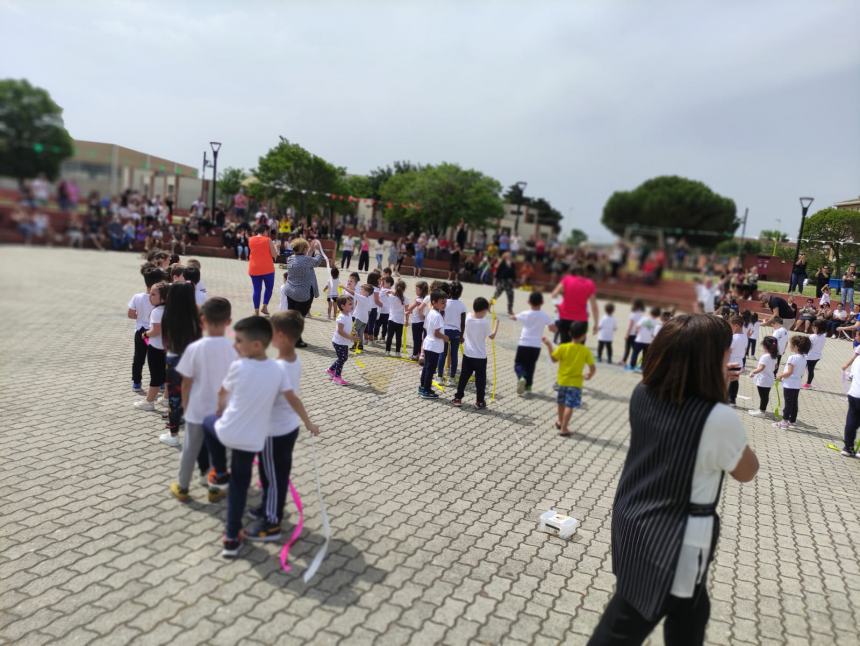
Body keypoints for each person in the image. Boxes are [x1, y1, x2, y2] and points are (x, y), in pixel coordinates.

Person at [588, 314, 759, 646]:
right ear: (711, 360)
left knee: (691, 612)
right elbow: (747, 471)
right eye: (726, 351)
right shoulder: (717, 417)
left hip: (633, 520)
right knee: (623, 624)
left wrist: (713, 388)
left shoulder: (643, 393)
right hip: (674, 541)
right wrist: (719, 396)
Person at [202, 316, 297, 558]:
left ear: (256, 345)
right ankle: (231, 539)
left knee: (207, 422)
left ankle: (220, 471)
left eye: (239, 341)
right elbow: (286, 396)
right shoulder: (278, 370)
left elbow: (222, 392)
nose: (235, 346)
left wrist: (221, 409)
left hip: (228, 432)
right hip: (253, 440)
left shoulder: (239, 366)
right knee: (239, 489)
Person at [247, 311, 320, 540]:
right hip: (286, 428)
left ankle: (272, 522)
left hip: (274, 432)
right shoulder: (292, 359)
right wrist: (306, 422)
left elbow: (272, 399)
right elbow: (290, 398)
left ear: (283, 338)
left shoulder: (276, 368)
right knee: (271, 474)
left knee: (274, 476)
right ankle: (268, 507)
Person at [169, 298, 236, 502]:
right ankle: (215, 487)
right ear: (229, 321)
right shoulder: (234, 350)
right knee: (221, 452)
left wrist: (185, 403)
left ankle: (182, 487)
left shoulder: (194, 348)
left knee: (190, 449)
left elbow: (187, 382)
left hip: (197, 409)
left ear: (202, 320)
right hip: (221, 412)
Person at [159, 283, 203, 447]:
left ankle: (174, 434)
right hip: (194, 359)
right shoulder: (196, 314)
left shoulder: (168, 314)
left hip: (175, 359)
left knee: (175, 398)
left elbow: (165, 341)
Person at [543, 321, 595, 437]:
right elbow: (592, 367)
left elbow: (554, 359)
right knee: (569, 405)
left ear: (570, 333)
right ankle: (564, 428)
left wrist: (549, 345)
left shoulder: (563, 347)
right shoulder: (585, 351)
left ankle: (560, 422)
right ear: (584, 336)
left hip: (562, 381)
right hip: (575, 383)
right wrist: (589, 375)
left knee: (561, 403)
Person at [452, 297, 498, 409]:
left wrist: (487, 306)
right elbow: (492, 336)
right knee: (480, 380)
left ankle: (458, 398)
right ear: (484, 310)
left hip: (468, 354)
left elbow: (474, 313)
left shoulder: (468, 317)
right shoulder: (485, 322)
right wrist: (497, 324)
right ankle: (480, 401)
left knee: (463, 377)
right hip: (480, 357)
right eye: (486, 310)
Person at [510, 292, 557, 395]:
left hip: (524, 343)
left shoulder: (525, 313)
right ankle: (529, 386)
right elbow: (552, 329)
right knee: (531, 365)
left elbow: (514, 317)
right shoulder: (545, 315)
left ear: (528, 302)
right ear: (542, 302)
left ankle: (521, 377)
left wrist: (512, 314)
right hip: (536, 345)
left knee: (518, 363)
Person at [282, 237, 326, 347]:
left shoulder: (291, 258)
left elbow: (304, 259)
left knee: (292, 316)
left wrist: (309, 249)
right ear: (304, 249)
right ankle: (296, 341)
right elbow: (317, 261)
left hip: (290, 291)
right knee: (300, 318)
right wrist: (316, 250)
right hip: (303, 294)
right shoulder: (307, 261)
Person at [133, 282, 170, 411]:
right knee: (166, 375)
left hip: (156, 349)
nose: (150, 296)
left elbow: (156, 331)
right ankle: (166, 399)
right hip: (168, 348)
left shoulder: (157, 311)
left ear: (164, 298)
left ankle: (149, 402)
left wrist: (145, 334)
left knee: (155, 375)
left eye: (154, 294)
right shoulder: (171, 310)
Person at [128, 268, 164, 394]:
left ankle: (136, 382)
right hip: (154, 332)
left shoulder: (137, 297)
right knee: (156, 359)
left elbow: (131, 314)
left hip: (140, 331)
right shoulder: (160, 298)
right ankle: (161, 383)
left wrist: (140, 316)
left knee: (138, 357)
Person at [551, 264, 599, 343]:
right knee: (579, 348)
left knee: (565, 346)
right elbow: (594, 306)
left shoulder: (566, 280)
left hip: (565, 318)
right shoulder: (590, 283)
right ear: (583, 273)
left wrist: (563, 297)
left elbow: (554, 294)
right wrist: (596, 324)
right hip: (581, 320)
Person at [774, 335, 810, 430]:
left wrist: (780, 376)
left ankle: (784, 422)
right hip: (797, 384)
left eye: (791, 344)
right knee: (794, 403)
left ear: (796, 347)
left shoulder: (792, 358)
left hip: (789, 384)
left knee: (788, 404)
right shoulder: (804, 358)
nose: (790, 346)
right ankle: (792, 420)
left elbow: (789, 372)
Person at [419, 290, 449, 398]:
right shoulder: (437, 316)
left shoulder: (431, 312)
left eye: (445, 302)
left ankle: (423, 387)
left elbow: (427, 328)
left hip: (428, 344)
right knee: (430, 369)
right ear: (434, 302)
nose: (444, 305)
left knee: (427, 367)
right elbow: (437, 333)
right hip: (434, 346)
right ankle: (426, 390)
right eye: (442, 302)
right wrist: (445, 337)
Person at [438, 282, 467, 380]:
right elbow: (463, 323)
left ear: (449, 291)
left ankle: (439, 377)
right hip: (456, 333)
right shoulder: (462, 306)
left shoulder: (445, 303)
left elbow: (440, 316)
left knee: (443, 354)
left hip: (445, 331)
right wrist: (461, 336)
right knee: (454, 355)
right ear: (461, 293)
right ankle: (452, 378)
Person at [247, 225, 277, 316]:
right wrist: (276, 248)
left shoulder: (250, 239)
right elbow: (274, 254)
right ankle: (264, 306)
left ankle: (256, 311)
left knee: (256, 290)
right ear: (265, 231)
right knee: (269, 288)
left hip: (254, 268)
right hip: (267, 269)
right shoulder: (268, 240)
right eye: (267, 231)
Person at [327, 296, 356, 385]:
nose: (352, 305)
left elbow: (350, 325)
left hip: (344, 341)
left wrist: (353, 331)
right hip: (338, 342)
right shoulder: (341, 317)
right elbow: (340, 331)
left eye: (352, 303)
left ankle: (331, 370)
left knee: (343, 357)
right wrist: (351, 337)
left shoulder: (349, 314)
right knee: (342, 358)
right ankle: (337, 377)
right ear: (343, 306)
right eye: (350, 304)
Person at [747, 336, 778, 417]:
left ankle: (762, 411)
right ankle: (761, 409)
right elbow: (776, 367)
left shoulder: (765, 356)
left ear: (765, 346)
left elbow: (761, 368)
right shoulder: (774, 356)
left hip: (763, 380)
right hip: (769, 378)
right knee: (765, 396)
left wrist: (752, 372)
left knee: (763, 396)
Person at [627, 307, 660, 372]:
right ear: (658, 315)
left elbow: (637, 326)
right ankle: (642, 367)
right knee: (645, 355)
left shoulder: (644, 318)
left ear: (650, 312)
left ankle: (632, 366)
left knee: (635, 353)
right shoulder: (656, 322)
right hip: (648, 342)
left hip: (639, 339)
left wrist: (638, 332)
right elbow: (654, 333)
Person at [406, 281, 429, 361]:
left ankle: (415, 354)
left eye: (417, 289)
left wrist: (409, 310)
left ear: (421, 290)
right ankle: (420, 353)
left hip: (417, 322)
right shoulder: (425, 299)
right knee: (421, 339)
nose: (415, 291)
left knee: (416, 339)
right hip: (423, 322)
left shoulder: (418, 300)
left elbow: (409, 308)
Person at [727, 316, 748, 406]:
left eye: (731, 326)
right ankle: (731, 399)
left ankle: (731, 399)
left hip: (732, 360)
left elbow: (729, 350)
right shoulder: (744, 336)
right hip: (739, 360)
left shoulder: (734, 337)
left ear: (736, 326)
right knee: (734, 380)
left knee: (731, 381)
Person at [385, 280, 408, 356]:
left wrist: (392, 292)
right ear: (404, 289)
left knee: (389, 336)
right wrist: (406, 320)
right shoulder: (405, 299)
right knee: (398, 338)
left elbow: (386, 293)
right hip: (400, 321)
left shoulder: (391, 297)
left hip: (391, 319)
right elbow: (407, 311)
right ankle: (397, 352)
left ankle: (387, 351)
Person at [621, 300, 645, 366]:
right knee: (634, 350)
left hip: (630, 334)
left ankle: (624, 361)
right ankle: (633, 362)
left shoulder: (633, 314)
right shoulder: (642, 315)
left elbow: (630, 325)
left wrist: (627, 334)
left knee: (627, 349)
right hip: (636, 334)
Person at [804, 320, 827, 389]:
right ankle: (808, 384)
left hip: (809, 356)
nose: (812, 328)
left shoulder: (812, 336)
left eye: (813, 327)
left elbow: (808, 347)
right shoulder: (824, 336)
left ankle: (798, 382)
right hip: (817, 356)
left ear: (817, 328)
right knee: (811, 370)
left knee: (802, 368)